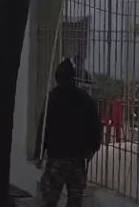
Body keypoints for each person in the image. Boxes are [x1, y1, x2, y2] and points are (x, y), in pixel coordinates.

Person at [35, 58, 102, 207]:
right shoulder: (85, 99)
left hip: (56, 159)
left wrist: (38, 154)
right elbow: (96, 128)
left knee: (50, 200)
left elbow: (43, 128)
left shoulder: (52, 98)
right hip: (77, 160)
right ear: (73, 78)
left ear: (57, 78)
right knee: (75, 201)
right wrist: (92, 149)